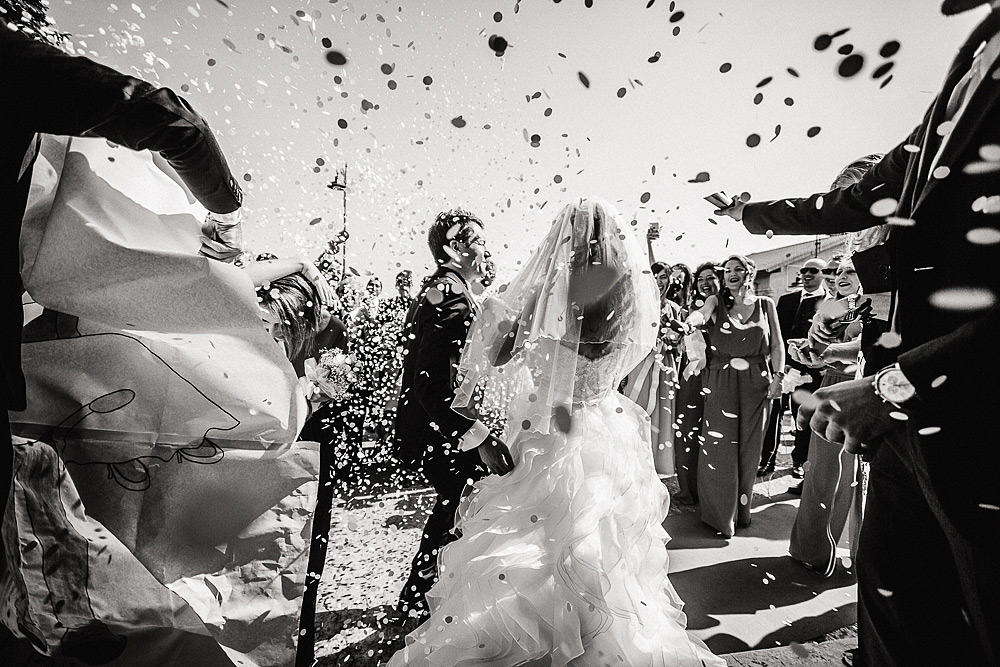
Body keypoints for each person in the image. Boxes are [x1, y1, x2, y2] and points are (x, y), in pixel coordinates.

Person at [714, 2, 1000, 663]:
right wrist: (750, 211)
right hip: (909, 429)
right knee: (896, 617)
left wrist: (899, 382)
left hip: (977, 419)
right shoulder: (976, 53)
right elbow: (861, 195)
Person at [387, 197, 723, 666]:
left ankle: (537, 639)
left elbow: (498, 356)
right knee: (600, 543)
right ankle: (600, 641)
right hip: (605, 428)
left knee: (534, 544)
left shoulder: (544, 294)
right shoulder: (628, 296)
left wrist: (494, 314)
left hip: (545, 428)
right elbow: (625, 357)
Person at [392, 208, 513, 621]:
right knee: (458, 512)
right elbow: (430, 386)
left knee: (458, 512)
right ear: (452, 247)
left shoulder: (448, 290)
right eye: (476, 239)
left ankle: (425, 598)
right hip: (439, 431)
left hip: (437, 426)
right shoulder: (452, 298)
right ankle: (421, 604)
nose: (485, 247)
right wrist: (479, 437)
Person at [686, 255, 784, 536]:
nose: (731, 274)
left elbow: (777, 344)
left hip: (758, 382)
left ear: (749, 274)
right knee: (719, 447)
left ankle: (742, 513)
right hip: (721, 379)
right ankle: (720, 517)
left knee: (749, 449)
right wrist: (690, 323)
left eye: (737, 270)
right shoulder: (716, 301)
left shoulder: (766, 305)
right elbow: (701, 314)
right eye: (727, 270)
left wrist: (778, 377)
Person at [788, 257, 866, 576]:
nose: (841, 276)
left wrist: (831, 354)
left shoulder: (873, 305)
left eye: (850, 271)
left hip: (859, 391)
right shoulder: (829, 308)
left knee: (853, 473)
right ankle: (813, 548)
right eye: (838, 272)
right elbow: (818, 355)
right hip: (829, 386)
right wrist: (806, 356)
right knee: (820, 468)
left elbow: (865, 350)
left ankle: (856, 549)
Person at [759, 257, 827, 478]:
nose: (807, 274)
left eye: (813, 271)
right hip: (781, 369)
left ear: (823, 275)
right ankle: (766, 460)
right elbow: (776, 335)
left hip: (809, 373)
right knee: (772, 418)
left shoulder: (829, 303)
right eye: (804, 270)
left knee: (802, 419)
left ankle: (799, 461)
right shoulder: (787, 300)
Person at [622, 261, 684, 477]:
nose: (659, 281)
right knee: (637, 407)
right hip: (640, 363)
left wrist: (673, 342)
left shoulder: (675, 309)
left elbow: (683, 343)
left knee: (663, 410)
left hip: (665, 365)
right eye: (655, 276)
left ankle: (658, 464)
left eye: (664, 276)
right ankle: (634, 461)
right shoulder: (637, 305)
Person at [673, 262, 721, 504]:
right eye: (701, 278)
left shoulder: (726, 307)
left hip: (722, 376)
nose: (705, 282)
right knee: (687, 431)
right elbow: (697, 318)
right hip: (693, 374)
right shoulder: (691, 310)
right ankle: (687, 488)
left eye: (711, 277)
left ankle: (710, 491)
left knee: (715, 434)